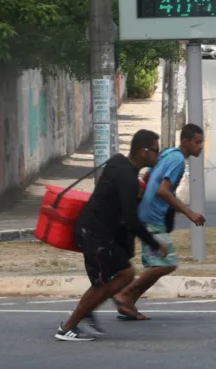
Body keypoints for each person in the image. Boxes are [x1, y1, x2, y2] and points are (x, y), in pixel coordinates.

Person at [54, 129, 167, 342]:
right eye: (155, 150)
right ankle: (67, 327)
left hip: (98, 231)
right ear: (143, 151)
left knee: (124, 274)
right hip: (94, 233)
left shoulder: (119, 164)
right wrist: (154, 243)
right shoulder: (128, 177)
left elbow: (113, 204)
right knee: (105, 282)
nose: (158, 155)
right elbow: (131, 219)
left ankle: (87, 310)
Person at [112, 124, 206, 318]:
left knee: (158, 264)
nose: (201, 146)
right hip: (151, 216)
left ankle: (128, 304)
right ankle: (125, 293)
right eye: (197, 142)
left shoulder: (169, 153)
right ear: (186, 142)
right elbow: (163, 190)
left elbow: (148, 175)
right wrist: (190, 213)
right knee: (167, 263)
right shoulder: (178, 160)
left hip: (149, 214)